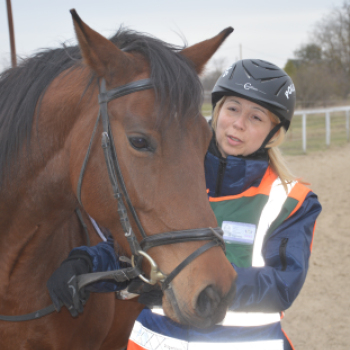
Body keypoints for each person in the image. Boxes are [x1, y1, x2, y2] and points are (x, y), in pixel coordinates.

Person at [47, 59, 322, 350]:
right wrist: (87, 264)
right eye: (232, 109)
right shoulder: (173, 177)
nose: (238, 124)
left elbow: (282, 285)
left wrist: (189, 282)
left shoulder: (292, 200)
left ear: (273, 132)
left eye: (256, 118)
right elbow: (140, 253)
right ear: (217, 111)